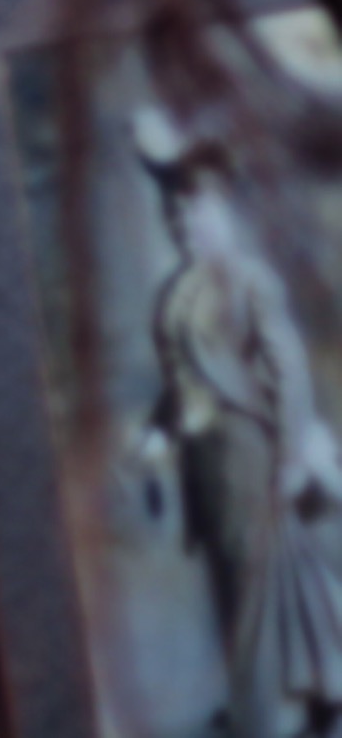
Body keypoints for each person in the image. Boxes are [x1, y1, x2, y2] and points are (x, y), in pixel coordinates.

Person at [135, 110, 342, 738]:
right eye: (173, 213)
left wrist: (290, 459)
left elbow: (289, 371)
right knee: (255, 580)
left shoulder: (249, 282)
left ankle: (258, 719)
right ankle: (315, 690)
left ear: (225, 212)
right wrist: (158, 431)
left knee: (251, 591)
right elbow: (181, 381)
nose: (182, 223)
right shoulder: (175, 292)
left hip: (247, 453)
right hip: (206, 463)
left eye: (195, 210)